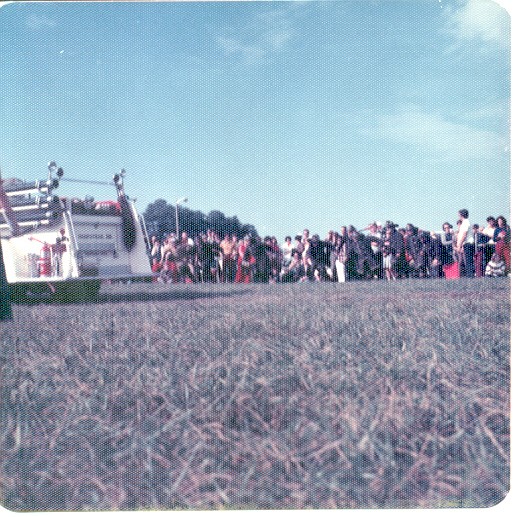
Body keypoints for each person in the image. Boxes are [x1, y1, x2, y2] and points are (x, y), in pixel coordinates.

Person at [456, 209, 475, 278]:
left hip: (468, 243)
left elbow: (464, 234)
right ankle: (469, 275)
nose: (458, 216)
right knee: (468, 260)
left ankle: (470, 276)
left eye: (459, 214)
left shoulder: (466, 222)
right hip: (467, 243)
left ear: (461, 214)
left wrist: (459, 245)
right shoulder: (465, 222)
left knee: (468, 260)